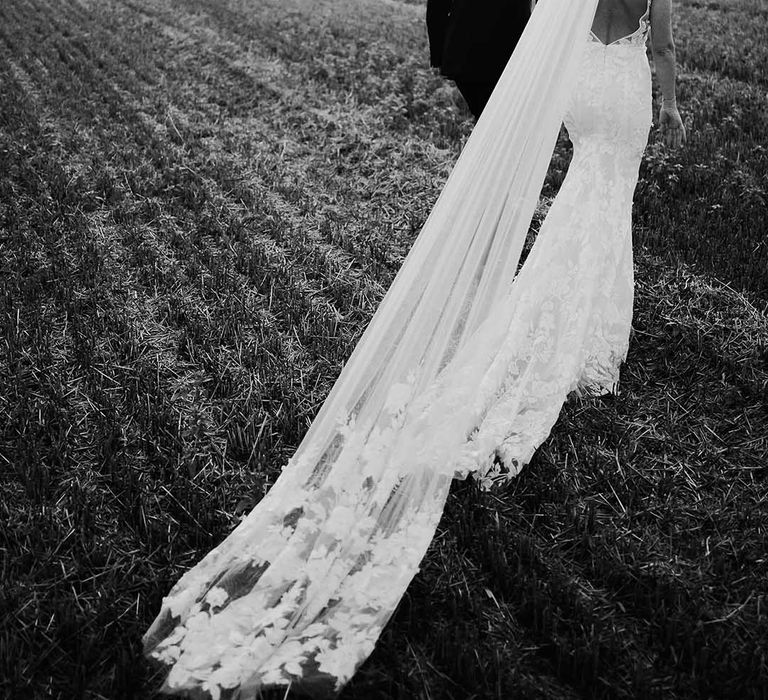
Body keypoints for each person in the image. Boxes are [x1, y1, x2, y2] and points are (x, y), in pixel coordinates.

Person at [143, 1, 686, 698]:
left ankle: (554, 312)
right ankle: (589, 329)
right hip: (626, 93)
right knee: (610, 202)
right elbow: (662, 50)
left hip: (583, 86)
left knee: (583, 193)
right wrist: (667, 103)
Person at [426, 0, 532, 119]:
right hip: (511, 50)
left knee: (490, 119)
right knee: (499, 119)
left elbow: (437, 7)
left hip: (467, 52)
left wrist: (439, 55)